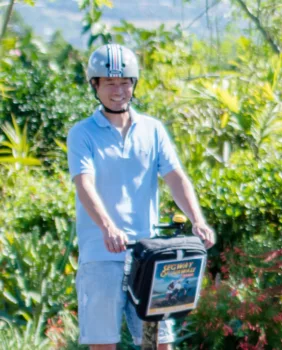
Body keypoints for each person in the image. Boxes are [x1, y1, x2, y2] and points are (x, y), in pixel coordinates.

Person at [68, 43, 216, 350]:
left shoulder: (152, 129)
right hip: (101, 255)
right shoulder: (82, 133)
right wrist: (108, 226)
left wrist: (198, 221)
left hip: (149, 255)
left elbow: (175, 177)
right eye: (110, 83)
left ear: (134, 85)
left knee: (161, 343)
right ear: (95, 85)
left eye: (125, 82)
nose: (118, 90)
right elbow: (85, 184)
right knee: (104, 344)